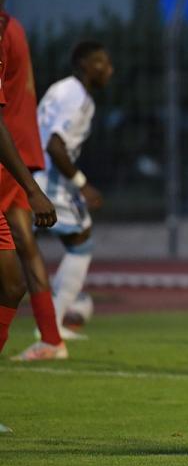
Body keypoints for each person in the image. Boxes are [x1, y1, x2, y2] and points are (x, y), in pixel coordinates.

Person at [0, 0, 68, 361]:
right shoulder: (17, 29)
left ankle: (52, 337)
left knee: (16, 261)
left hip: (7, 151)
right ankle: (51, 336)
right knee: (23, 252)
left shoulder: (4, 32)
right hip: (21, 148)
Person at [32, 40, 113, 338]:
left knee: (15, 250)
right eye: (102, 63)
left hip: (27, 175)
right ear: (84, 64)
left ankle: (53, 321)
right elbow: (55, 144)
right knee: (82, 239)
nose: (109, 70)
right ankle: (51, 327)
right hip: (47, 183)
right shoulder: (78, 98)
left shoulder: (60, 88)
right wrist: (83, 184)